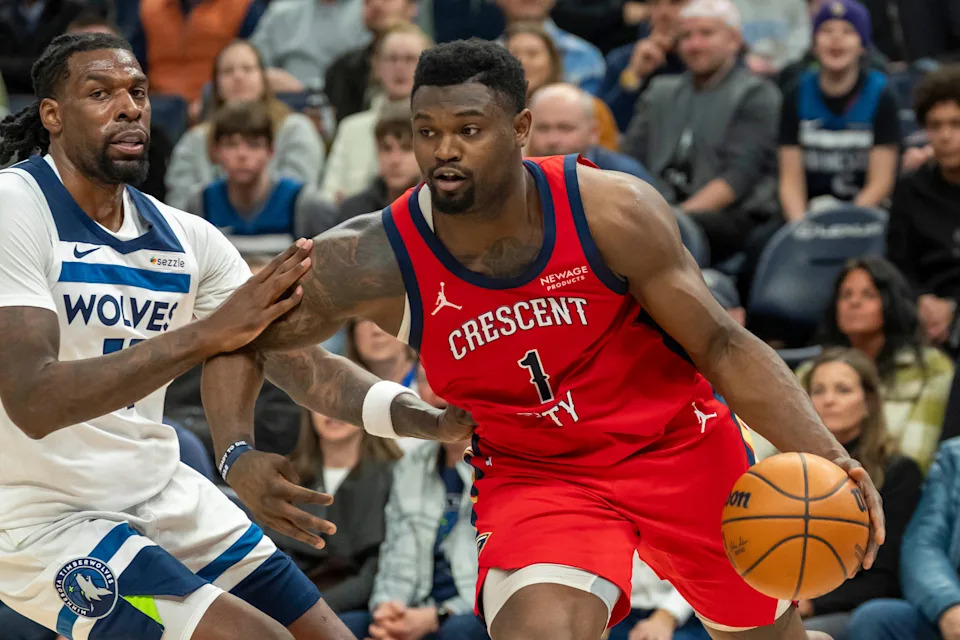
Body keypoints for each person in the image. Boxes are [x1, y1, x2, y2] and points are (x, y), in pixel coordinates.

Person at [204, 38, 885, 640]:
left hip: (676, 446)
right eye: (426, 130)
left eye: (469, 129)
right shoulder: (374, 256)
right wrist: (242, 452)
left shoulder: (611, 209)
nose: (445, 150)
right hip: (541, 475)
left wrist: (826, 452)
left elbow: (724, 346)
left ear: (521, 128)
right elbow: (242, 335)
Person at [0, 32, 463, 640]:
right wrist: (207, 335)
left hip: (162, 492)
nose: (129, 107)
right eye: (100, 93)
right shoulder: (15, 207)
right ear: (53, 116)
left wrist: (422, 419)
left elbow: (303, 367)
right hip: (43, 518)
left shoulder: (186, 237)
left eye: (137, 91)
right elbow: (34, 400)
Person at [622, 0, 782, 263]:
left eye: (706, 34)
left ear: (734, 40)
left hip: (727, 216)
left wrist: (673, 219)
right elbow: (628, 161)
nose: (694, 45)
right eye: (686, 36)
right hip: (658, 206)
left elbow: (736, 180)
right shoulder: (660, 91)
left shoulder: (756, 94)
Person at [338, 365, 488, 640]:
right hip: (411, 608)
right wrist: (386, 612)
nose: (438, 391)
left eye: (447, 379)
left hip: (467, 612)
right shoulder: (409, 466)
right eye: (426, 381)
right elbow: (394, 551)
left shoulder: (497, 466)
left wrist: (439, 615)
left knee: (458, 633)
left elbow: (498, 576)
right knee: (341, 628)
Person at [796, 348, 923, 640]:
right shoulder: (788, 468)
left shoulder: (899, 472)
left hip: (851, 610)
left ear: (868, 403)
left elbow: (885, 577)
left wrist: (813, 603)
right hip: (786, 602)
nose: (828, 399)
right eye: (818, 390)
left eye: (843, 390)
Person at [796, 257, 955, 471]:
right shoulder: (809, 371)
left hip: (892, 488)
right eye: (846, 295)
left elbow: (916, 459)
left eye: (869, 295)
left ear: (891, 303)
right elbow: (771, 447)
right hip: (808, 481)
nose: (854, 302)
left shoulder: (931, 368)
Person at [165, 39, 324, 211]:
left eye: (247, 69)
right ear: (216, 85)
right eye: (228, 71)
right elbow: (178, 207)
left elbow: (300, 198)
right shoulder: (194, 140)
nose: (238, 77)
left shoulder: (296, 129)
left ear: (263, 78)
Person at [777, 0, 900, 221]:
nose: (836, 38)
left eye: (848, 31)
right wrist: (801, 228)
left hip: (866, 215)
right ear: (814, 44)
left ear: (863, 45)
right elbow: (790, 182)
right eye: (826, 30)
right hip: (808, 215)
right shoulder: (795, 93)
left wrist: (842, 226)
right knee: (759, 243)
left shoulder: (882, 95)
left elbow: (881, 183)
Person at [271, 410, 402, 613]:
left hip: (354, 606)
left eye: (344, 400)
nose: (332, 411)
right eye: (321, 402)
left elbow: (375, 570)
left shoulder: (396, 474)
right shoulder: (282, 475)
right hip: (285, 597)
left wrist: (310, 612)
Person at [844, 436, 960, 640]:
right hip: (952, 606)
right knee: (875, 619)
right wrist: (949, 605)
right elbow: (922, 545)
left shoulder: (898, 470)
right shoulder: (954, 455)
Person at [887, 64, 960, 356]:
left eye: (956, 124)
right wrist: (921, 302)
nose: (945, 136)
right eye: (935, 125)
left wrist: (955, 307)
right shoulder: (910, 189)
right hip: (924, 317)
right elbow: (899, 266)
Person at [182, 100, 328, 244]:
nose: (242, 154)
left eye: (254, 145)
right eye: (231, 144)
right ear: (216, 151)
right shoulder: (201, 203)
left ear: (270, 151)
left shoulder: (302, 203)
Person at [318, 23, 432, 204]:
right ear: (376, 66)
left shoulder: (438, 127)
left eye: (410, 59)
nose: (400, 67)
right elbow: (328, 198)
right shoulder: (351, 128)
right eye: (392, 59)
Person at [301, 104, 424, 238]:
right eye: (387, 149)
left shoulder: (436, 211)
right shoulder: (354, 211)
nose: (394, 160)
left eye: (406, 149)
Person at [504, 23, 619, 151]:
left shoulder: (591, 108)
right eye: (513, 55)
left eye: (533, 54)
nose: (523, 62)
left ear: (552, 60)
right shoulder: (497, 113)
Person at [526, 83, 654, 183]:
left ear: (593, 132)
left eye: (565, 128)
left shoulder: (625, 177)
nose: (552, 140)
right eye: (543, 128)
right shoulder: (520, 175)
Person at [325, 0, 420, 123]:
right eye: (368, 1)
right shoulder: (341, 70)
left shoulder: (439, 67)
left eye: (409, 59)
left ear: (412, 7)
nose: (376, 4)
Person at [495, 0, 606, 94]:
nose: (524, 62)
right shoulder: (482, 61)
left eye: (532, 54)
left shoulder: (584, 56)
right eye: (516, 53)